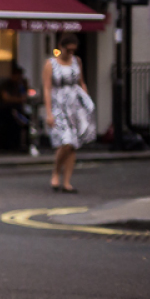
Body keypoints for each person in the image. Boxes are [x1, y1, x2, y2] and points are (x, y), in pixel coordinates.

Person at [43, 33, 95, 193]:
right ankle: (56, 172)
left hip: (75, 107)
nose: (71, 53)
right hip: (59, 106)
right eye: (68, 50)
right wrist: (49, 113)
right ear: (61, 47)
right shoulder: (50, 64)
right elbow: (47, 88)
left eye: (74, 50)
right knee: (66, 142)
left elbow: (81, 83)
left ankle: (66, 182)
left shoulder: (77, 61)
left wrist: (86, 103)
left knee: (73, 145)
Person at [0, 64, 31, 152]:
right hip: (6, 110)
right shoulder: (6, 84)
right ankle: (10, 146)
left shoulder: (21, 85)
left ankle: (25, 145)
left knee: (28, 120)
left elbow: (26, 96)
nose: (19, 78)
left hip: (19, 110)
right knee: (12, 121)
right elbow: (5, 98)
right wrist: (18, 99)